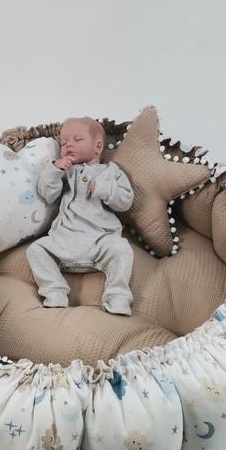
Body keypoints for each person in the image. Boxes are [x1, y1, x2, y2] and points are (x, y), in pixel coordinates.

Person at [26, 116, 135, 315]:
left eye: (77, 140)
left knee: (122, 249)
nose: (68, 145)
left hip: (101, 241)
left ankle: (118, 296)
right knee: (36, 249)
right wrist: (54, 170)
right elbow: (47, 195)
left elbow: (125, 201)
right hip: (63, 241)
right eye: (64, 143)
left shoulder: (111, 172)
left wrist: (105, 188)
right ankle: (55, 292)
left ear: (98, 146)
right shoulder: (64, 172)